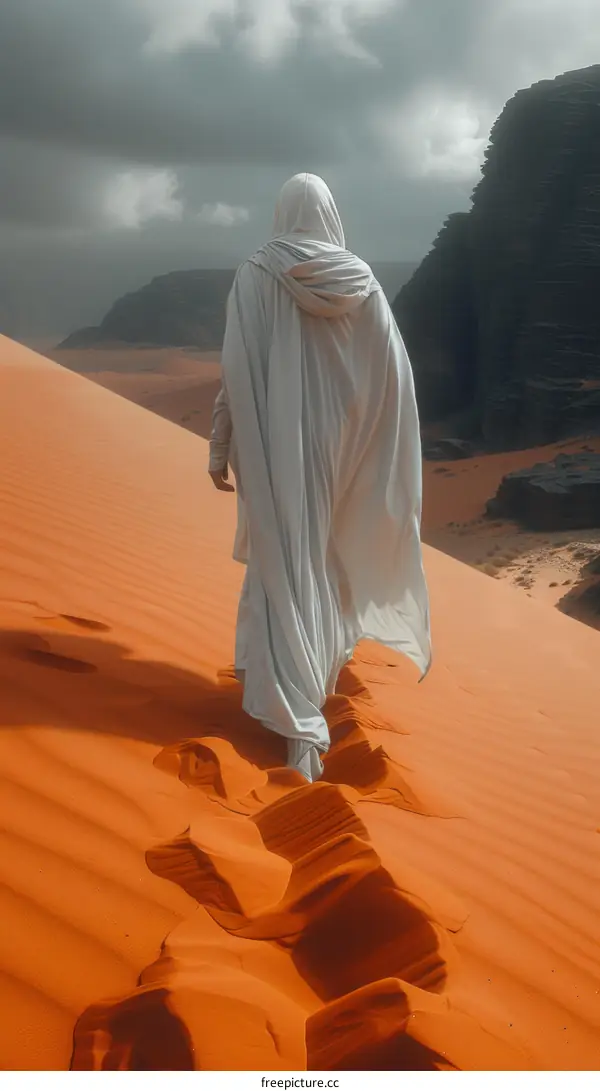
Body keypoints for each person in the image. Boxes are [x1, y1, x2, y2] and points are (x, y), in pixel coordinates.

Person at [208, 172, 431, 783]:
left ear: (283, 211)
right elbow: (392, 380)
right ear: (328, 212)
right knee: (326, 556)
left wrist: (220, 444)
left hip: (275, 445)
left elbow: (237, 368)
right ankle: (311, 687)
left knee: (285, 558)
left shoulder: (257, 271)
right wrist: (372, 448)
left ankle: (294, 710)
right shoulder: (363, 281)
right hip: (342, 448)